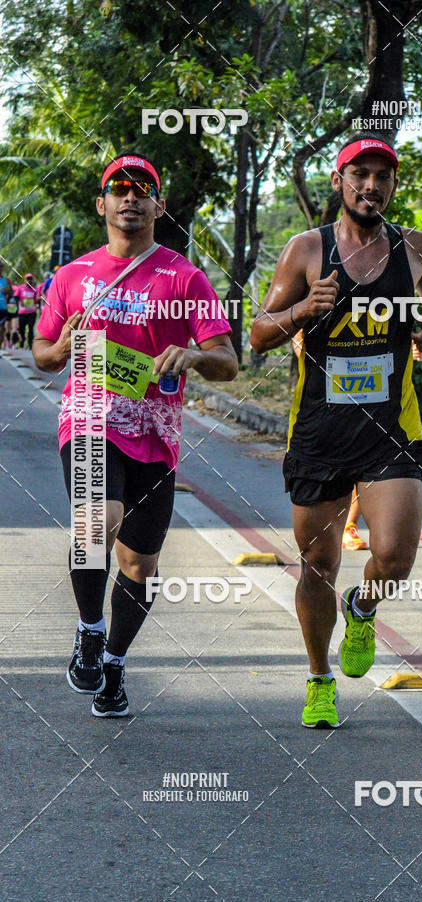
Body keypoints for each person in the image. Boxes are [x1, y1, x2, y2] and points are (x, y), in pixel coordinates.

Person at [250, 133, 422, 729]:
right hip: (320, 431)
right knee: (318, 565)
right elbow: (259, 335)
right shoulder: (305, 250)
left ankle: (363, 609)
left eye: (381, 177)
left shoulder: (413, 248)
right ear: (338, 183)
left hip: (390, 426)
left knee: (392, 556)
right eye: (358, 175)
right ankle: (319, 679)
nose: (370, 186)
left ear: (393, 186)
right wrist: (302, 312)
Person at [33, 151, 238, 717]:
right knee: (97, 522)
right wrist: (64, 345)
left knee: (139, 566)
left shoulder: (185, 276)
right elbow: (44, 354)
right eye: (119, 189)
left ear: (157, 205)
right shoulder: (72, 277)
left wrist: (193, 355)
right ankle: (90, 629)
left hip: (157, 432)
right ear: (102, 204)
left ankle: (116, 663)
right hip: (91, 418)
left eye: (141, 188)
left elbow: (229, 361)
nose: (130, 197)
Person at [14, 273, 38, 349]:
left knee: (31, 328)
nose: (29, 280)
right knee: (22, 328)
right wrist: (20, 302)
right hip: (22, 312)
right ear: (25, 280)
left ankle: (30, 344)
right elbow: (16, 297)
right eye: (28, 279)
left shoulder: (35, 288)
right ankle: (22, 342)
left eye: (31, 279)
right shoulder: (20, 288)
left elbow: (37, 298)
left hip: (32, 312)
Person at [0, 262, 10, 349]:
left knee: (1, 329)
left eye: (1, 267)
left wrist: (6, 290)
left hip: (2, 308)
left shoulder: (6, 280)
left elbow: (11, 292)